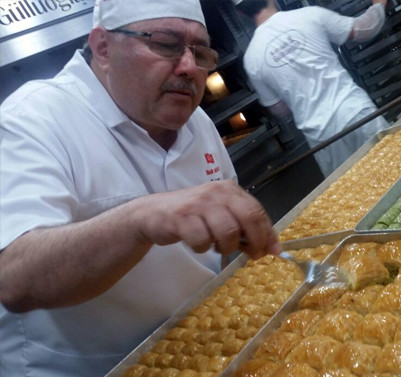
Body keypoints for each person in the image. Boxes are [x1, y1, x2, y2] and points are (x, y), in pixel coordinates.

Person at [0, 0, 281, 375]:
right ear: (103, 48)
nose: (188, 68)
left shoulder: (196, 122)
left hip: (205, 351)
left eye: (200, 52)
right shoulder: (32, 119)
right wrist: (141, 217)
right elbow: (15, 278)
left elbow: (224, 249)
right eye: (165, 44)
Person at [237, 0, 391, 176]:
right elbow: (365, 29)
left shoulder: (251, 59)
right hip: (355, 112)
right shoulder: (309, 15)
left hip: (324, 138)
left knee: (355, 193)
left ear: (241, 13)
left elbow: (281, 110)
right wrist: (378, 5)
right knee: (396, 167)